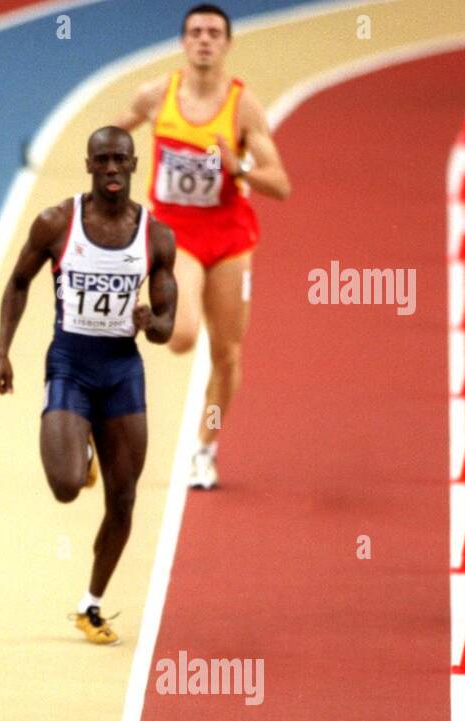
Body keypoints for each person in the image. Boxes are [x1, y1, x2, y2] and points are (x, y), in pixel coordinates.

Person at [0, 127, 177, 645]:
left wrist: (149, 322)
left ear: (134, 164)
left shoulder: (156, 238)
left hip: (122, 371)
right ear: (90, 165)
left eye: (122, 160)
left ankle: (91, 604)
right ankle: (81, 452)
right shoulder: (57, 223)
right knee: (67, 487)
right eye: (104, 160)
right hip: (71, 364)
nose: (113, 168)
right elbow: (19, 281)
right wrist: (2, 352)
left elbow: (166, 326)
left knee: (123, 500)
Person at [113, 2, 290, 489]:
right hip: (177, 234)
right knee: (184, 336)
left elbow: (281, 183)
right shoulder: (158, 95)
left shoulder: (243, 106)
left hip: (230, 241)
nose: (205, 39)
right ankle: (145, 311)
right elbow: (113, 131)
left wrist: (240, 168)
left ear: (228, 43)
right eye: (196, 32)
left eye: (214, 32)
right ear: (184, 42)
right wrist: (105, 167)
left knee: (228, 353)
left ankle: (204, 449)